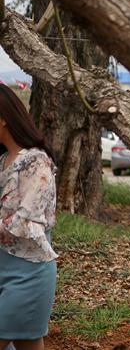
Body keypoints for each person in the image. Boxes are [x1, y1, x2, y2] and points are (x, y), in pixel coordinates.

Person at [0, 84, 57, 350]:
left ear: (3, 119)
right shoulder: (3, 161)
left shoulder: (37, 161)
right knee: (28, 343)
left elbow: (25, 219)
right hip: (3, 268)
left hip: (28, 271)